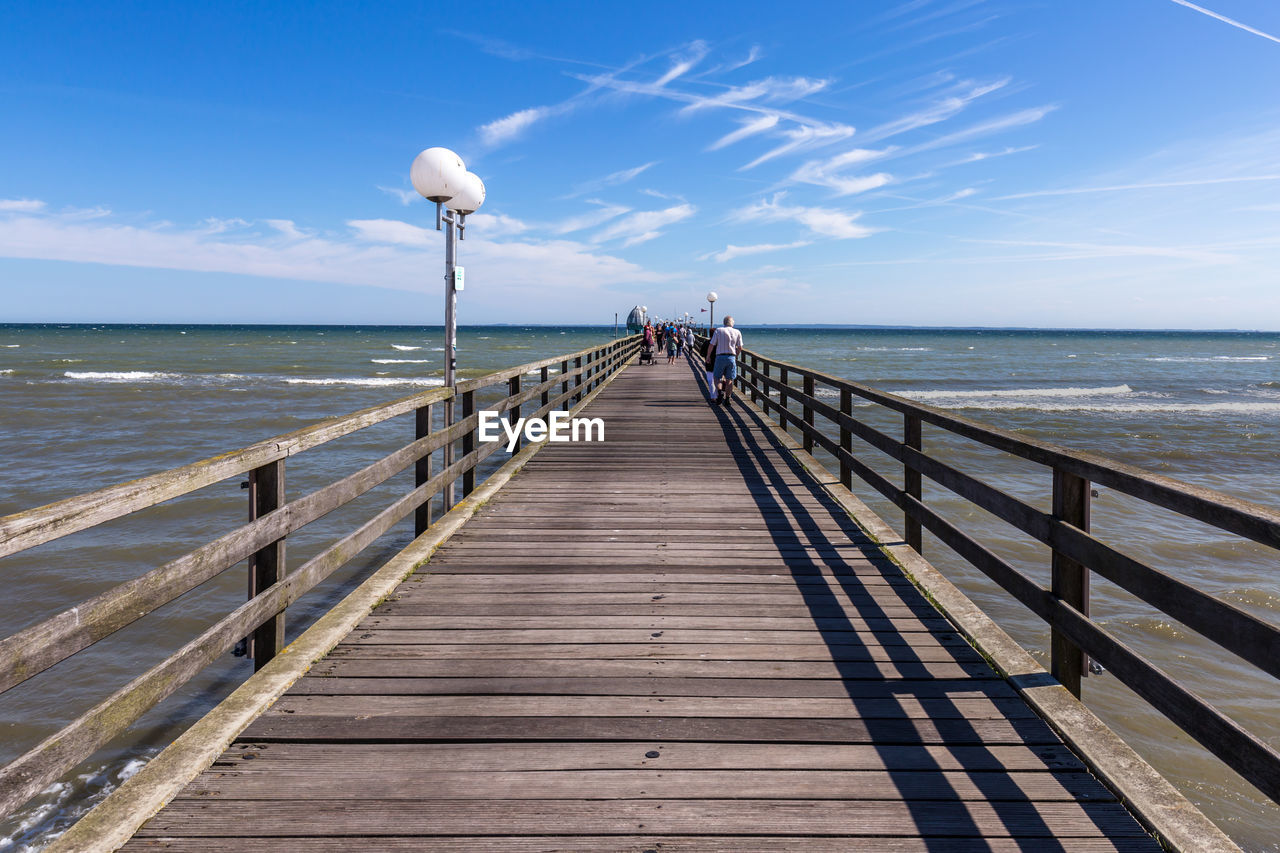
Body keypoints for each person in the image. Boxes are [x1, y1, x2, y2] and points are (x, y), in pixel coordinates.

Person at [707, 316, 743, 406]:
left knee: (717, 377)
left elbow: (712, 344)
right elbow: (740, 347)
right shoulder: (737, 332)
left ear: (724, 322)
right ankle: (727, 399)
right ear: (732, 323)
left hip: (720, 357)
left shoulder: (719, 330)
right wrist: (736, 355)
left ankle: (719, 392)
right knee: (729, 380)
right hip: (731, 357)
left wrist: (708, 356)